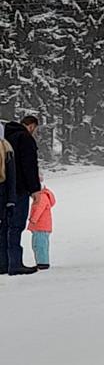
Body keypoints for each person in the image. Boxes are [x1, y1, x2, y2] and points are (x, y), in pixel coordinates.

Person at [2, 115, 42, 274]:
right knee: (16, 225)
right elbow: (29, 165)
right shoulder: (25, 138)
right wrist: (35, 189)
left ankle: (3, 263)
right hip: (19, 188)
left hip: (4, 188)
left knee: (4, 225)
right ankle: (15, 263)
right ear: (31, 126)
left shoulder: (5, 137)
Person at [0, 131, 20, 274]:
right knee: (3, 230)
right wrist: (11, 200)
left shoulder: (6, 149)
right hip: (3, 193)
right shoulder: (6, 149)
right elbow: (11, 176)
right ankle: (3, 263)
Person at [27, 181, 55, 270]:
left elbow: (39, 209)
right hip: (39, 226)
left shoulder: (42, 197)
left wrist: (33, 219)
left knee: (40, 245)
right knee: (37, 245)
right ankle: (40, 262)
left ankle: (43, 263)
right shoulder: (40, 197)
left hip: (41, 226)